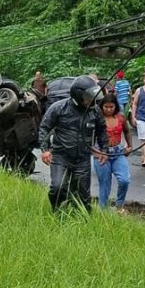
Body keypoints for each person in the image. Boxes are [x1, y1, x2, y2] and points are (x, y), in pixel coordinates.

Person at [38, 75, 108, 212]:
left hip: (82, 158)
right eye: (88, 98)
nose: (92, 102)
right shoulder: (59, 108)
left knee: (83, 195)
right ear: (78, 96)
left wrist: (104, 149)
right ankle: (57, 212)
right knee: (58, 187)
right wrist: (45, 150)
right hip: (60, 156)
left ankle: (83, 220)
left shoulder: (95, 111)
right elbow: (44, 128)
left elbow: (102, 130)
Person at [94, 94, 133, 212]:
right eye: (106, 107)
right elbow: (88, 138)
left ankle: (119, 205)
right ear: (101, 106)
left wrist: (129, 146)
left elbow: (126, 131)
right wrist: (95, 152)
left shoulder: (121, 117)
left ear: (116, 106)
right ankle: (103, 210)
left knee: (124, 180)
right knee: (105, 184)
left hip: (117, 153)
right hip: (100, 154)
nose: (109, 109)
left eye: (112, 107)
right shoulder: (96, 118)